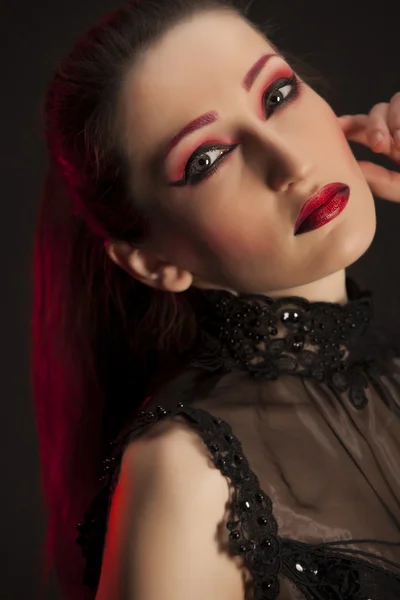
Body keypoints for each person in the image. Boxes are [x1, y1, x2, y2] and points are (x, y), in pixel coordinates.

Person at [31, 0, 400, 598]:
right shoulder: (189, 477)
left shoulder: (388, 379)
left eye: (278, 95)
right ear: (153, 261)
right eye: (207, 158)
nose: (290, 163)